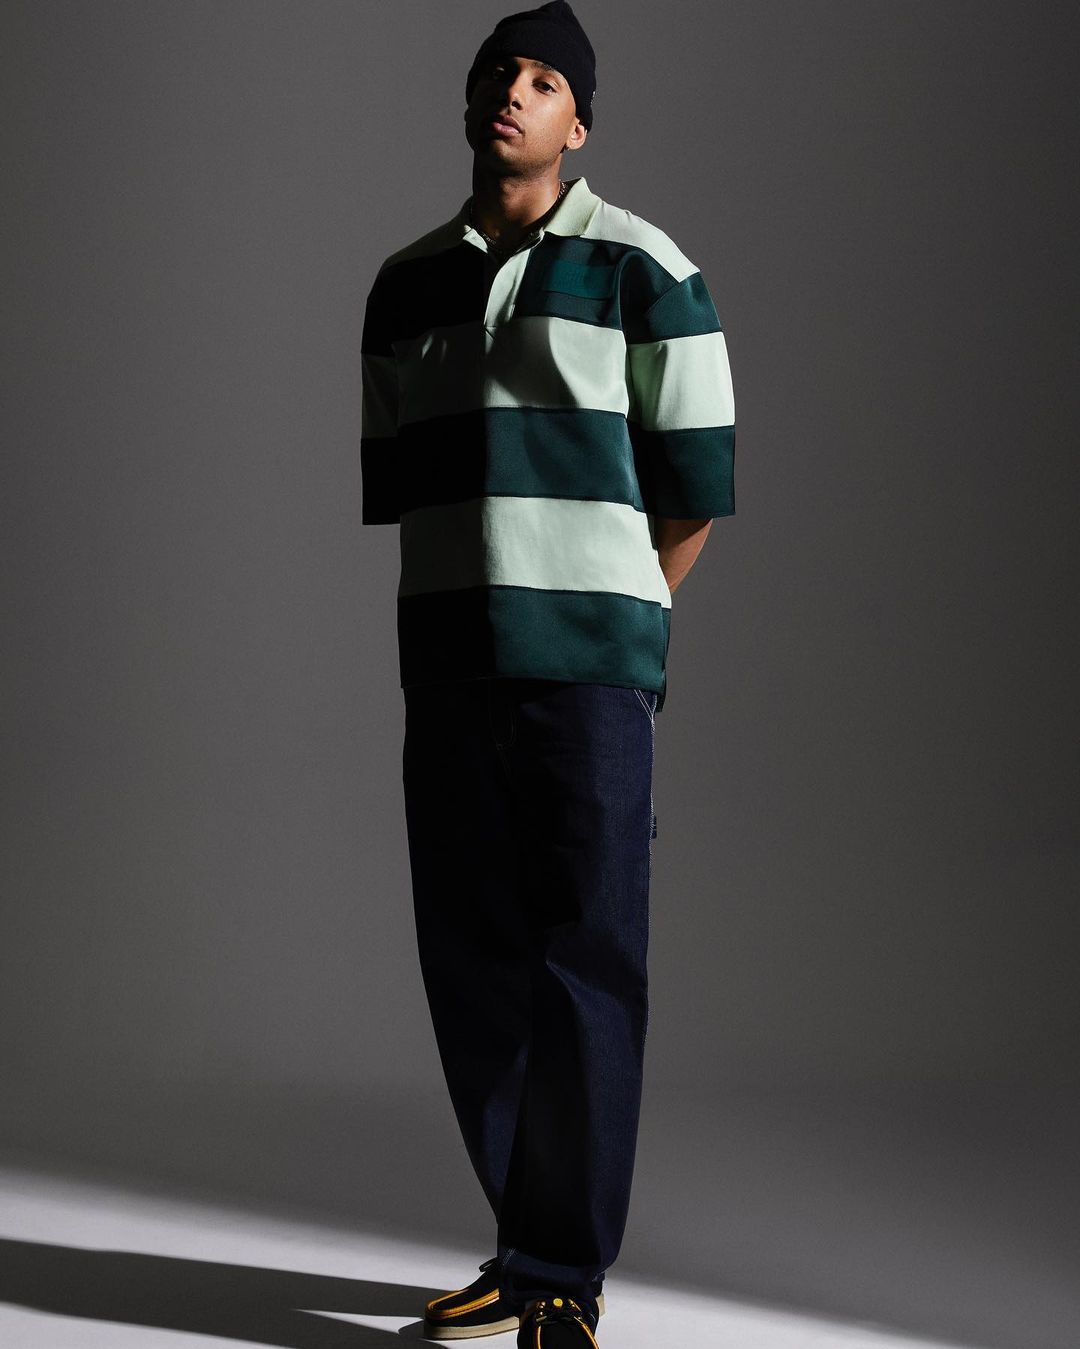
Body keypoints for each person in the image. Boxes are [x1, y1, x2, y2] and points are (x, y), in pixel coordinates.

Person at [359, 3, 736, 1344]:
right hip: (450, 669)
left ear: (579, 120)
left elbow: (693, 492)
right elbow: (411, 491)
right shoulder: (405, 284)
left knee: (588, 960)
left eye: (541, 79)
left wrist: (615, 619)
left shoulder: (647, 269)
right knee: (471, 958)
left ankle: (565, 1274)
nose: (511, 94)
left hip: (587, 681)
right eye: (494, 74)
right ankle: (526, 1251)